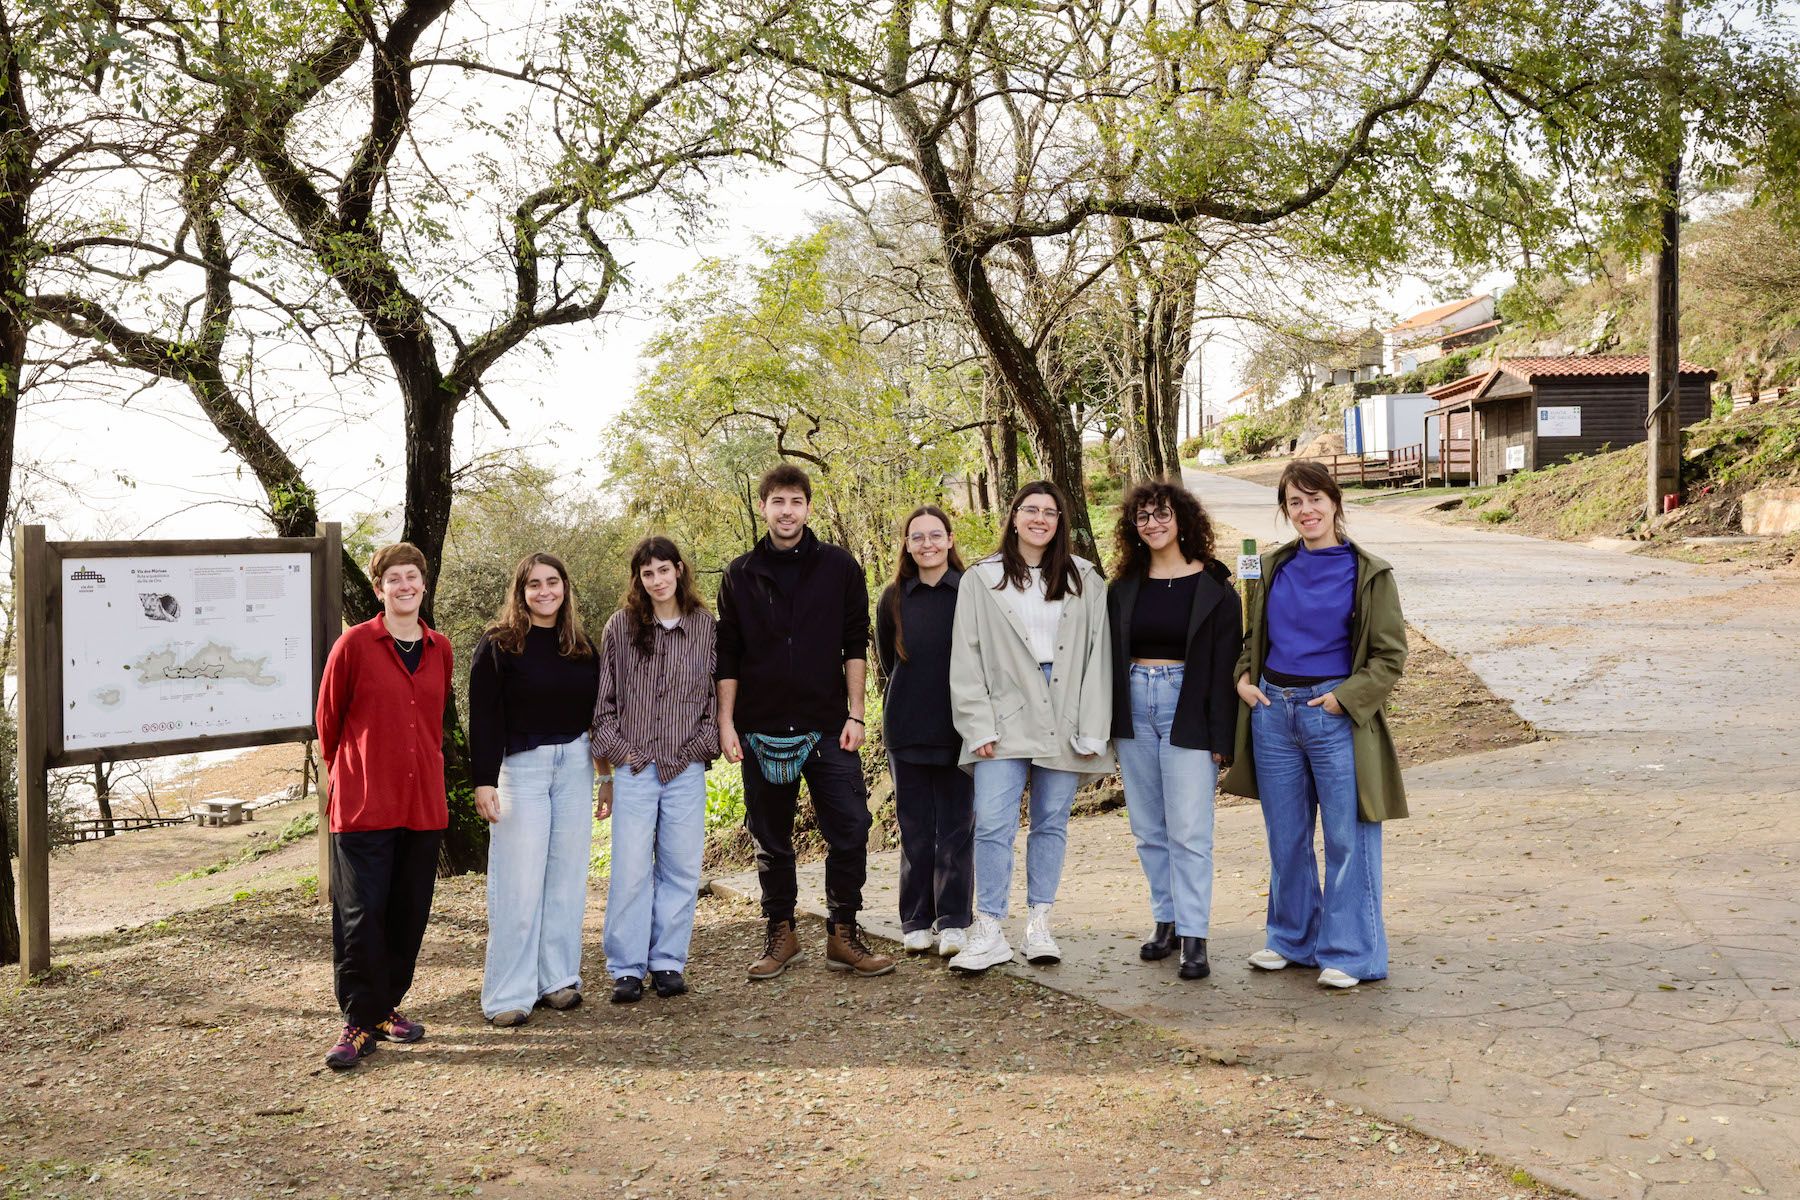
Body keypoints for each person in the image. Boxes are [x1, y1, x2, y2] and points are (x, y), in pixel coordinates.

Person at [1222, 459, 1408, 989]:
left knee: (1348, 838)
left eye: (1315, 499)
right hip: (1272, 712)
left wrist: (1341, 700)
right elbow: (1251, 636)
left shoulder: (1370, 572)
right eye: (1295, 502)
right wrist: (1242, 678)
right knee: (1287, 836)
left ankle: (1351, 954)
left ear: (1335, 502)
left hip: (1334, 716)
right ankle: (1291, 940)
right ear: (1286, 510)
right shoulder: (1272, 567)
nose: (1306, 511)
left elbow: (1389, 657)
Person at [717, 463, 896, 979]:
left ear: (808, 507)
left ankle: (843, 932)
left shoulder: (839, 567)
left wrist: (857, 714)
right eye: (777, 502)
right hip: (760, 728)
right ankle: (781, 932)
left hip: (826, 726)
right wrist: (727, 724)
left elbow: (854, 643)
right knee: (770, 837)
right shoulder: (739, 574)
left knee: (851, 826)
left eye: (796, 501)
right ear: (764, 507)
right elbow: (726, 654)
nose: (787, 511)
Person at [947, 480, 1113, 974]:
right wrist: (977, 723)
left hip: (1065, 710)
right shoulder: (981, 579)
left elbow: (1096, 657)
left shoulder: (1085, 579)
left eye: (1050, 511)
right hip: (1004, 712)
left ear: (1060, 521)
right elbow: (967, 656)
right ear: (1014, 516)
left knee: (1050, 823)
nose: (1039, 518)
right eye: (1030, 509)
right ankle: (990, 928)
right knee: (994, 824)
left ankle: (1039, 922)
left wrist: (1092, 725)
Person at [314, 542, 454, 1070]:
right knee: (360, 915)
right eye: (393, 578)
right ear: (379, 589)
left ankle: (387, 1007)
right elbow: (328, 723)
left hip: (421, 805)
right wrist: (350, 776)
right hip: (365, 804)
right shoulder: (353, 644)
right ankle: (356, 1020)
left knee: (408, 913)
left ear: (423, 584)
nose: (404, 585)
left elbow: (432, 720)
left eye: (412, 576)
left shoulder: (440, 647)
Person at [1107, 480, 1241, 981]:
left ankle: (1194, 934)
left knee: (1190, 830)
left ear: (1182, 519)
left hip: (1190, 706)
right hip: (1135, 704)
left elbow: (1227, 668)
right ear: (1133, 528)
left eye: (1162, 514)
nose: (1153, 524)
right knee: (1148, 828)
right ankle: (1164, 919)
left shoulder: (1216, 589)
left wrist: (1221, 740)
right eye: (1143, 517)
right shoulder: (1121, 589)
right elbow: (1106, 660)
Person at [469, 552, 599, 1026]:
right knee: (519, 882)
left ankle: (557, 979)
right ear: (520, 592)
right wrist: (484, 780)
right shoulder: (498, 645)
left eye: (553, 582)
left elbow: (596, 716)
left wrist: (603, 776)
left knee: (566, 879)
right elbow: (483, 718)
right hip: (520, 768)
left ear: (565, 587)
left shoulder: (580, 645)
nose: (545, 592)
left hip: (575, 765)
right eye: (534, 585)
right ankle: (508, 993)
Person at [591, 536, 720, 1004]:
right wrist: (622, 754)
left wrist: (698, 748)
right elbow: (603, 703)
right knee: (629, 869)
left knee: (681, 868)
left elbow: (715, 698)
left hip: (684, 767)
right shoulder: (620, 628)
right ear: (639, 580)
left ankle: (668, 961)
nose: (658, 580)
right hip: (635, 767)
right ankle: (626, 967)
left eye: (664, 570)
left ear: (680, 570)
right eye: (648, 574)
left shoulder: (706, 627)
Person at [874, 505, 973, 957]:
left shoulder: (972, 591)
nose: (928, 544)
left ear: (950, 540)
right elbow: (886, 665)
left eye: (936, 535)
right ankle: (916, 918)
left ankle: (953, 920)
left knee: (956, 828)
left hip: (962, 729)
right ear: (907, 544)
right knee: (915, 829)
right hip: (907, 726)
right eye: (918, 537)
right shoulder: (892, 597)